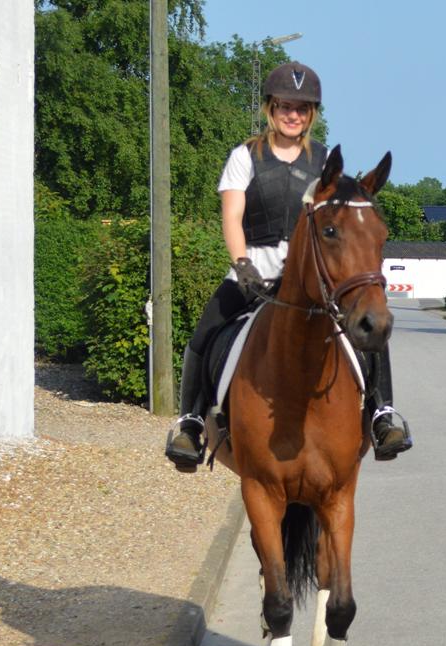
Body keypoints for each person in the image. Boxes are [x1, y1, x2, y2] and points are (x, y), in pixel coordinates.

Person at [165, 61, 411, 472]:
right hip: (253, 269)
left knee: (366, 331)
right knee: (204, 332)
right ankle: (190, 421)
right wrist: (240, 262)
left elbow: (343, 217)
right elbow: (231, 215)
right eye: (284, 106)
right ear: (270, 109)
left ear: (311, 114)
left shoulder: (324, 163)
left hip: (305, 276)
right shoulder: (244, 157)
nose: (292, 115)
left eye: (301, 108)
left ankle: (382, 413)